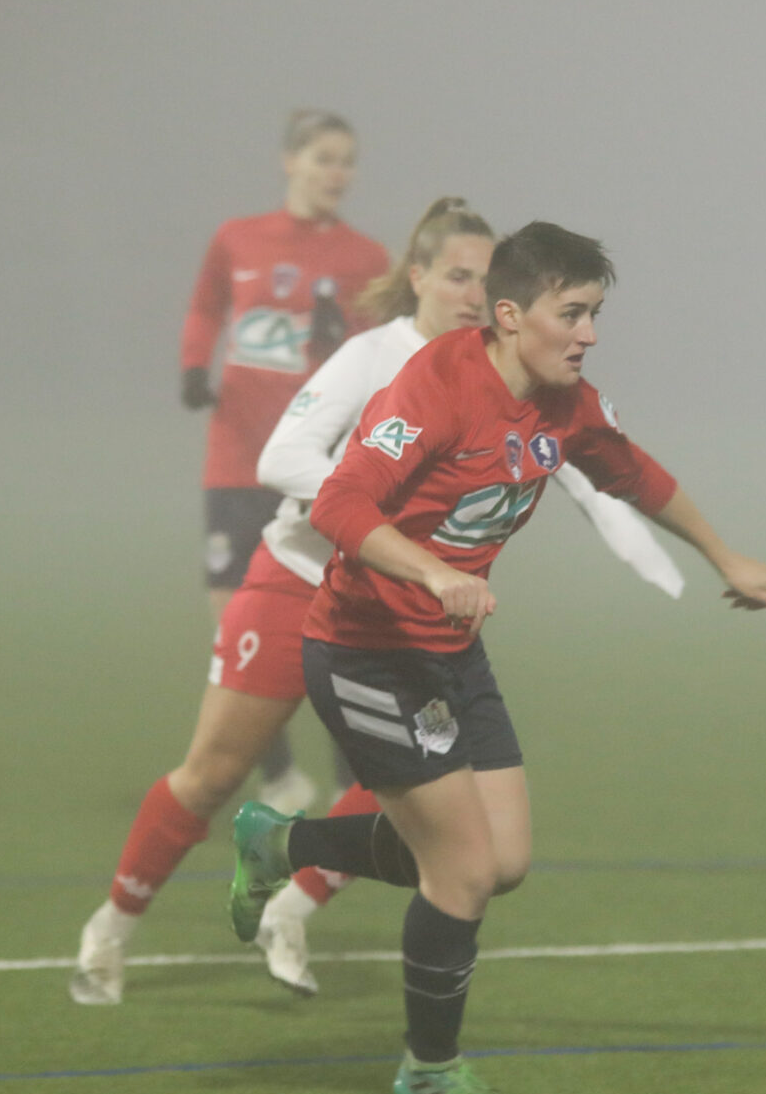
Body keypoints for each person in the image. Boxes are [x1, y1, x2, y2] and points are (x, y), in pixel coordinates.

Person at [224, 222, 766, 1094]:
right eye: (573, 313)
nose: (588, 334)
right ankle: (428, 1070)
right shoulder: (437, 386)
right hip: (365, 649)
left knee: (504, 861)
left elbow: (631, 472)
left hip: (448, 651)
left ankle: (282, 846)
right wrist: (434, 572)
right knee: (463, 873)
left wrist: (725, 554)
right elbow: (339, 500)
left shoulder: (565, 404)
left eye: (595, 314)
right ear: (511, 315)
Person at [72, 198, 489, 1004]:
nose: (475, 295)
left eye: (486, 280)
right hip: (298, 579)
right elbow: (283, 455)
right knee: (212, 775)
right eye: (458, 275)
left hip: (394, 608)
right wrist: (371, 513)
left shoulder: (491, 374)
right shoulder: (374, 355)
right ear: (418, 276)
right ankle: (110, 928)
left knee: (420, 775)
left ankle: (290, 909)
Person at [178, 109, 388, 813]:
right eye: (325, 157)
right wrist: (193, 364)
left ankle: (352, 783)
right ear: (289, 160)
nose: (338, 173)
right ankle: (278, 778)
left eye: (347, 160)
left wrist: (339, 342)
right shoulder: (237, 238)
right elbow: (207, 306)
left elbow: (385, 357)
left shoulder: (365, 259)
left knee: (337, 624)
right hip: (236, 457)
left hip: (315, 466)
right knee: (231, 619)